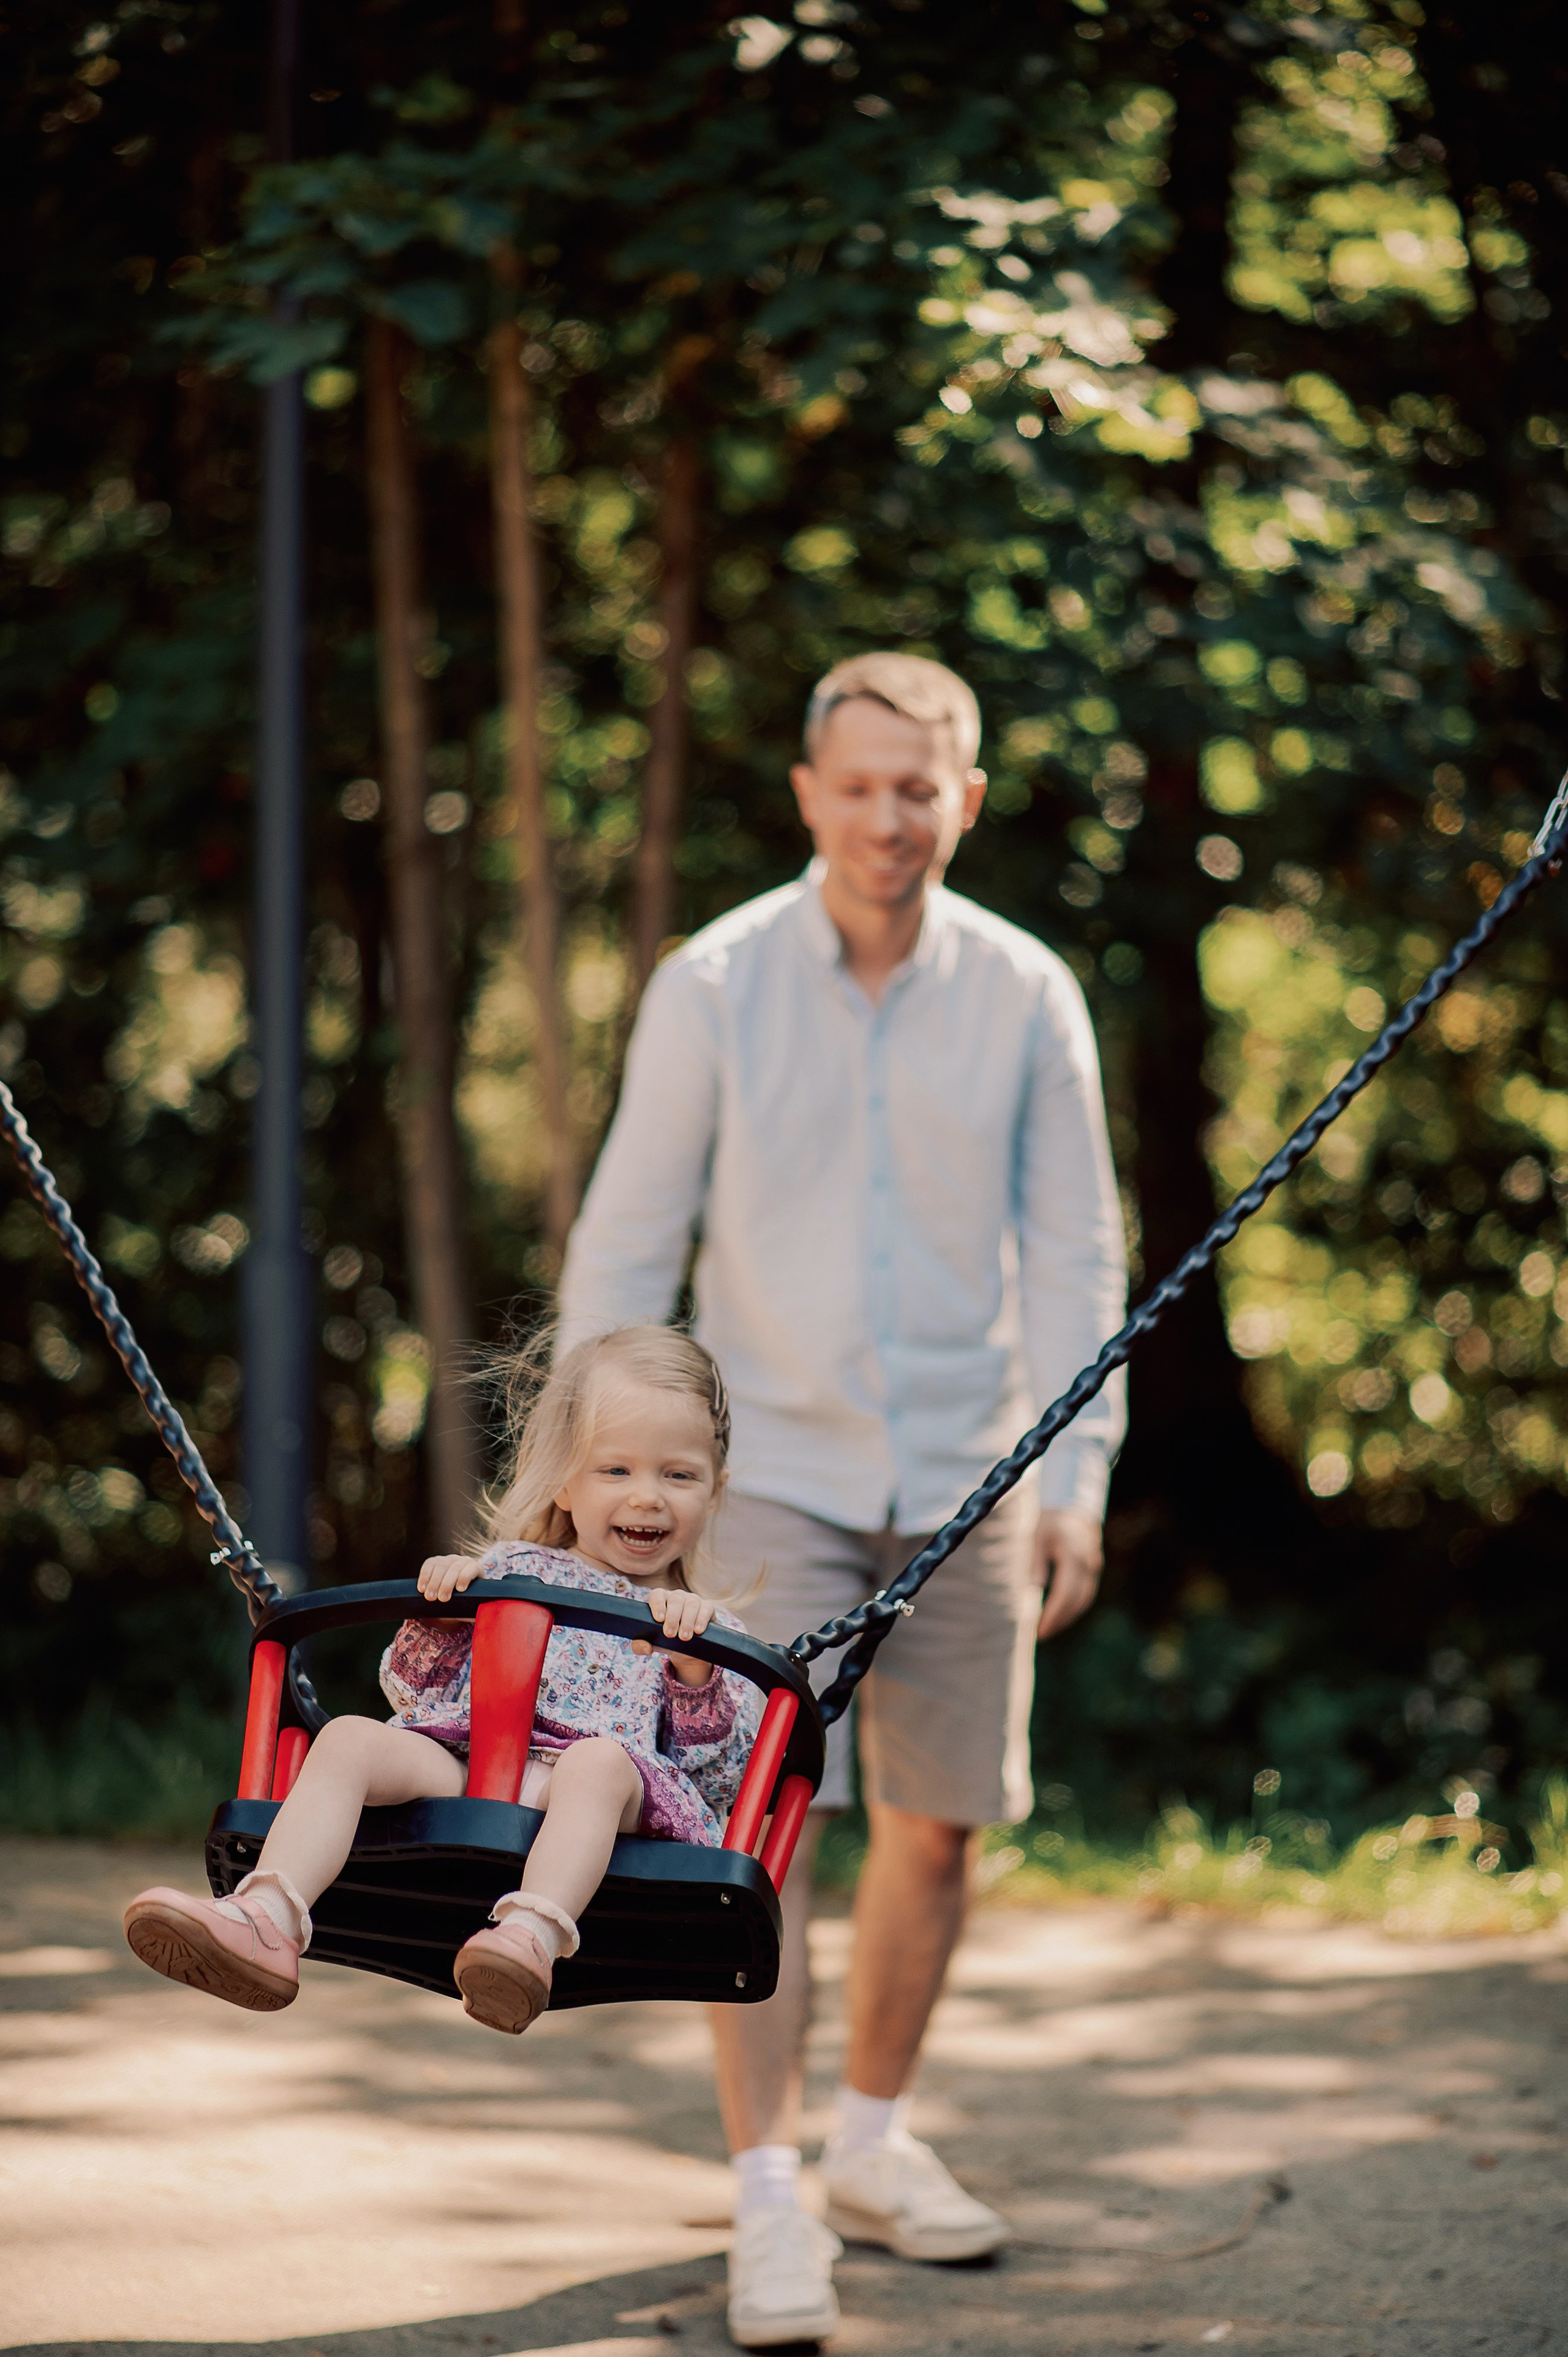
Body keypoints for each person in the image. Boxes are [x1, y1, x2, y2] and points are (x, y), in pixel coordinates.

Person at [558, 651, 1128, 2349]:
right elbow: (626, 1244)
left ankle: (873, 2143)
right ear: (810, 795)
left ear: (966, 796)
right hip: (770, 1478)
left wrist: (1075, 1477)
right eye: (858, 785)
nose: (889, 816)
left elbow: (1077, 1253)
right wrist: (586, 1488)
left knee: (939, 1820)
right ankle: (769, 2193)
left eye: (919, 786)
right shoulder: (714, 984)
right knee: (760, 1828)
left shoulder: (1025, 992)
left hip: (971, 1474)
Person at [123, 1326, 761, 2031]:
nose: (647, 1498)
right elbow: (407, 1689)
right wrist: (447, 1615)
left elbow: (721, 1779)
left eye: (678, 1475)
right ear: (564, 1479)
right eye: (616, 1470)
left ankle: (528, 1937)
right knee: (349, 1737)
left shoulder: (704, 1624)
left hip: (598, 1797)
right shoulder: (512, 1569)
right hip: (470, 1760)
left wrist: (696, 1668)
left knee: (597, 1762)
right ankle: (265, 1918)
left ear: (715, 1489)